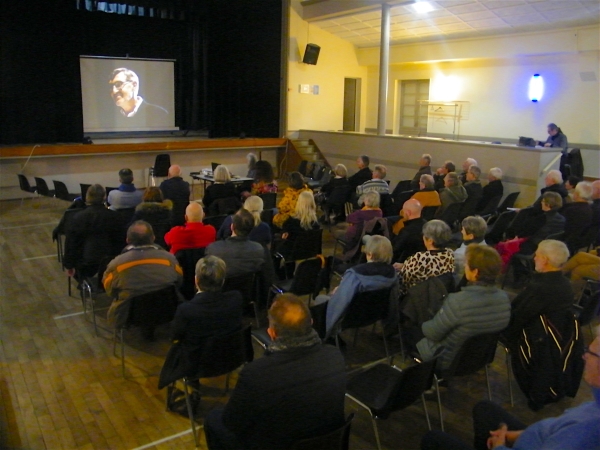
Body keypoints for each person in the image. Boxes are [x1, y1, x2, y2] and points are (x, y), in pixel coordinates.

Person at [420, 326, 600, 450]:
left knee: (434, 439)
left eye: (590, 353)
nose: (583, 357)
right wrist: (512, 436)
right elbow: (551, 428)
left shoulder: (585, 430)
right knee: (485, 409)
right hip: (533, 440)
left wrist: (499, 446)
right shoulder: (593, 405)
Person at [204, 294, 347, 450]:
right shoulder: (335, 356)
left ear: (272, 333)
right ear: (311, 323)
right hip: (323, 443)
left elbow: (232, 423)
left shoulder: (256, 375)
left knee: (214, 419)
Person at [417, 244, 510, 372]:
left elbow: (432, 333)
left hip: (445, 360)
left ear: (475, 272)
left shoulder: (458, 301)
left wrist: (423, 323)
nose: (465, 267)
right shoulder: (504, 299)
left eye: (466, 264)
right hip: (479, 360)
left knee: (413, 329)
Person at [104, 221, 183, 331]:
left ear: (128, 240)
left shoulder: (117, 265)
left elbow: (109, 289)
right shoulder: (169, 259)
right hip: (168, 311)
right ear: (153, 238)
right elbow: (179, 280)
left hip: (129, 315)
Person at [312, 235, 398, 335]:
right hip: (374, 315)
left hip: (349, 317)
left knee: (319, 299)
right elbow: (393, 302)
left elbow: (340, 303)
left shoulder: (355, 274)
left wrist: (337, 293)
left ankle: (328, 338)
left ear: (369, 254)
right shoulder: (393, 274)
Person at [503, 239, 573, 346]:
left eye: (537, 255)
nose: (534, 258)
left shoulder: (540, 288)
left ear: (544, 260)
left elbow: (519, 318)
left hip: (527, 336)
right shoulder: (566, 284)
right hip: (547, 333)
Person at [63, 184, 125, 278]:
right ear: (104, 197)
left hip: (85, 265)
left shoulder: (77, 218)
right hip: (112, 263)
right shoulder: (116, 217)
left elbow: (71, 244)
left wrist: (69, 265)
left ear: (87, 197)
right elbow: (121, 241)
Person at [206, 209, 274, 283]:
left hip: (221, 292)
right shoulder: (259, 250)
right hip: (249, 293)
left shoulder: (214, 249)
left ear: (232, 227)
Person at [394, 219, 454, 294]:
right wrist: (405, 266)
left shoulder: (420, 258)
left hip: (417, 298)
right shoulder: (450, 253)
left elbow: (403, 283)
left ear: (430, 240)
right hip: (440, 295)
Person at [275, 191, 320, 261]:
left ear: (299, 203)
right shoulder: (316, 224)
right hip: (310, 253)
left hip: (292, 254)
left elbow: (284, 236)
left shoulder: (291, 222)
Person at [454, 215, 487, 283]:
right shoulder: (486, 247)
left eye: (463, 230)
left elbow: (455, 275)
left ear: (471, 236)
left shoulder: (460, 255)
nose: (461, 231)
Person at [392, 199, 426, 263]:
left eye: (403, 212)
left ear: (408, 213)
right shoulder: (428, 226)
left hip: (406, 265)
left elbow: (394, 252)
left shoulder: (406, 232)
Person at [561, 181, 593, 249]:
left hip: (566, 242)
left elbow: (561, 227)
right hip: (579, 241)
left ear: (577, 194)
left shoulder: (571, 210)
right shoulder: (590, 209)